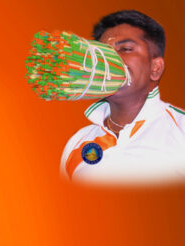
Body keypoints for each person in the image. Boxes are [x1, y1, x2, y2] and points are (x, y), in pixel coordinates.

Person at [60, 10, 185, 184]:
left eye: (125, 49)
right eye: (102, 53)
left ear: (155, 68)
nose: (109, 61)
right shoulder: (77, 142)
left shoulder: (180, 130)